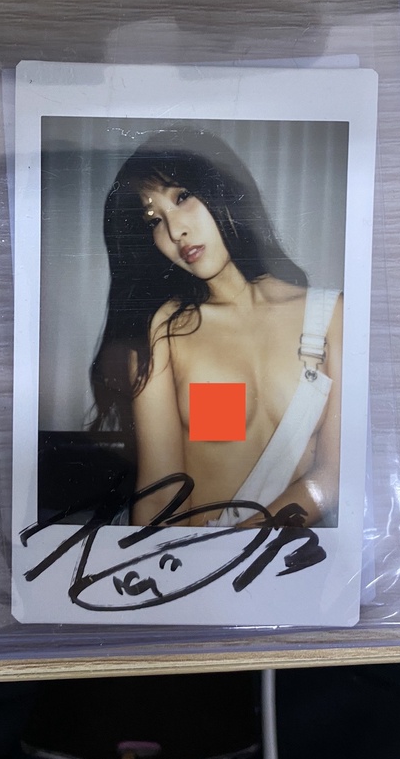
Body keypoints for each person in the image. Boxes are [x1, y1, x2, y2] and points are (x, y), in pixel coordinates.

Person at [89, 129, 343, 528]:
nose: (175, 231)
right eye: (154, 221)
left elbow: (332, 475)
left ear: (223, 189)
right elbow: (161, 495)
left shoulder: (330, 316)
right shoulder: (169, 331)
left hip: (270, 556)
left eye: (182, 197)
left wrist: (242, 548)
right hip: (190, 554)